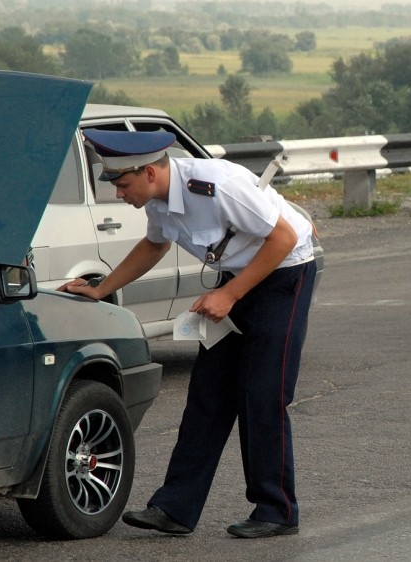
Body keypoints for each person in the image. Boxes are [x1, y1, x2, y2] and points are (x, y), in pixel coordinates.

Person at [59, 129, 316, 539]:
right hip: (238, 279)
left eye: (123, 185)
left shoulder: (216, 185)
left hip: (284, 275)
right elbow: (154, 245)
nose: (120, 194)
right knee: (208, 395)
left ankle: (277, 510)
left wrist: (229, 294)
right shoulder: (160, 200)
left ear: (148, 173)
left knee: (263, 393)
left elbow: (283, 239)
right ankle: (175, 508)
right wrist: (100, 288)